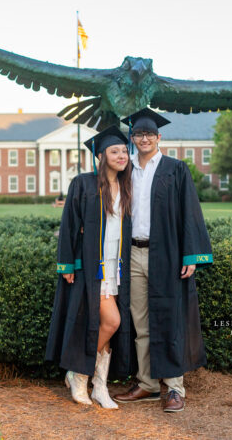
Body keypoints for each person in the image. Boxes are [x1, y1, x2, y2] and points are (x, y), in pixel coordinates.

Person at [113, 108, 213, 413]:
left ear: (159, 137)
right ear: (133, 138)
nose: (144, 139)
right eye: (138, 134)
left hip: (166, 254)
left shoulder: (175, 169)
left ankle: (173, 387)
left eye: (149, 134)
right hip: (132, 253)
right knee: (140, 321)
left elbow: (189, 213)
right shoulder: (125, 169)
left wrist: (191, 254)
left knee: (169, 319)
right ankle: (147, 384)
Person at [45, 125, 135, 409]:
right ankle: (79, 373)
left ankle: (100, 386)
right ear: (101, 155)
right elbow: (70, 224)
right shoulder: (84, 184)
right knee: (111, 322)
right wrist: (67, 263)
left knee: (104, 325)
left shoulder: (127, 186)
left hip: (117, 266)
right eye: (114, 151)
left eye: (124, 151)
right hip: (93, 268)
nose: (121, 156)